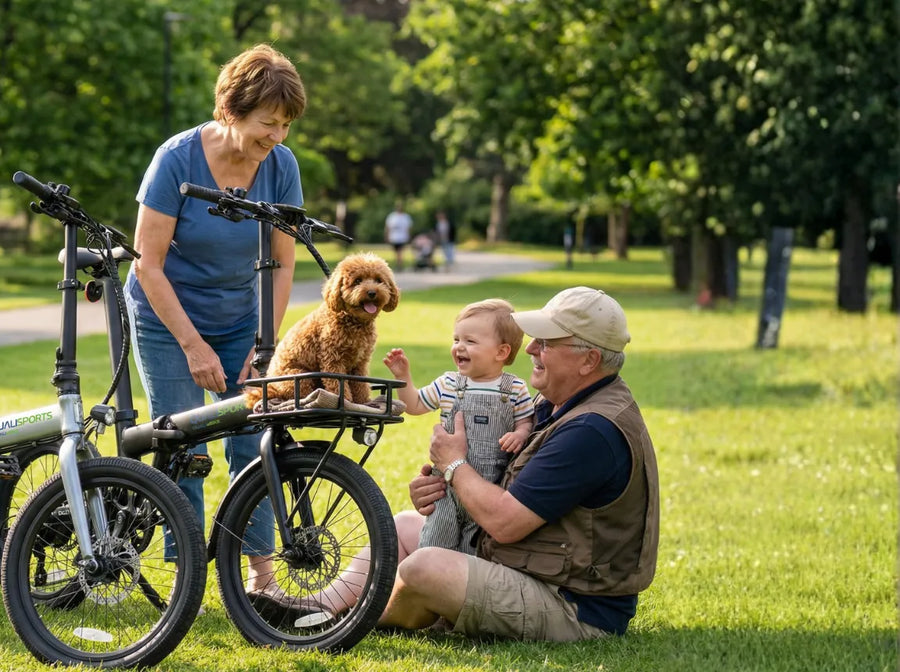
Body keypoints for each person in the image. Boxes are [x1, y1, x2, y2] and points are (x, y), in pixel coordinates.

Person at [276, 286, 658, 642]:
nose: (530, 350)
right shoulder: (561, 406)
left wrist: (455, 465)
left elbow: (506, 523)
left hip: (572, 605)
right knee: (404, 526)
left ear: (589, 360)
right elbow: (506, 484)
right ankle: (316, 603)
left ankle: (348, 620)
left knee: (424, 568)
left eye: (546, 343)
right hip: (528, 565)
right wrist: (439, 482)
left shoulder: (591, 430)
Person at [124, 43, 305, 594]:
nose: (275, 137)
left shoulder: (281, 166)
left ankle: (260, 577)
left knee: (255, 436)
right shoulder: (177, 159)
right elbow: (148, 265)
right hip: (166, 316)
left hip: (239, 317)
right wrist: (192, 346)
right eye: (266, 123)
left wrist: (265, 344)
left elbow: (282, 261)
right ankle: (188, 581)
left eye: (285, 126)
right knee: (185, 442)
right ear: (231, 111)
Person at [382, 298, 534, 554]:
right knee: (434, 544)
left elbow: (526, 420)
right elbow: (416, 404)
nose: (459, 347)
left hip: (490, 488)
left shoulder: (514, 388)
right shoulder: (449, 383)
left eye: (470, 341)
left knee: (473, 549)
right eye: (456, 340)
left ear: (501, 352)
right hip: (446, 488)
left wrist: (519, 434)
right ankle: (427, 576)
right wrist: (403, 378)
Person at [385, 199, 413, 270]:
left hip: (402, 237)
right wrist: (387, 236)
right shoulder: (392, 216)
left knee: (400, 252)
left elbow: (408, 228)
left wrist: (409, 236)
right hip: (394, 237)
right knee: (396, 252)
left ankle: (399, 265)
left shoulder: (406, 217)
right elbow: (388, 227)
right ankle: (399, 264)